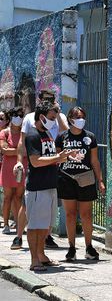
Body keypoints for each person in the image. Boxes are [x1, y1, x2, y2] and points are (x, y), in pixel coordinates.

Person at [24, 101, 79, 271]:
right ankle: (34, 260)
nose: (54, 121)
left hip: (49, 186)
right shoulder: (33, 135)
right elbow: (36, 161)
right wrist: (57, 158)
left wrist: (64, 156)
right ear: (41, 117)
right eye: (52, 118)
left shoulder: (46, 133)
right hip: (37, 188)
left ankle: (41, 255)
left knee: (45, 225)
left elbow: (50, 156)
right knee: (35, 226)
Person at [13, 89, 68, 251]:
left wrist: (56, 113)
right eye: (47, 99)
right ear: (40, 100)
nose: (50, 101)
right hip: (37, 167)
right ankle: (18, 236)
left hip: (52, 167)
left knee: (47, 215)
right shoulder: (30, 118)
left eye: (52, 99)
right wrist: (19, 161)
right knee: (27, 205)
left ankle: (45, 241)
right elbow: (23, 142)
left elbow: (64, 131)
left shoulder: (58, 116)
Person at [56, 107, 105, 261]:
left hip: (86, 177)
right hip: (66, 177)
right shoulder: (62, 137)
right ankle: (71, 247)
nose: (81, 119)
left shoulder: (90, 137)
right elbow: (57, 159)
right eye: (78, 116)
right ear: (70, 119)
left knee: (86, 214)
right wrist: (65, 156)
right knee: (70, 214)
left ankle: (89, 247)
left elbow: (94, 161)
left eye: (83, 116)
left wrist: (100, 181)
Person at [0, 108, 25, 234]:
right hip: (7, 169)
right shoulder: (4, 133)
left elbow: (28, 151)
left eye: (20, 116)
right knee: (7, 197)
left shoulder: (24, 133)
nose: (18, 118)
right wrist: (20, 151)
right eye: (15, 115)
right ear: (11, 117)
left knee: (18, 197)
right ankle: (5, 224)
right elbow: (4, 150)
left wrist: (14, 150)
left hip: (21, 167)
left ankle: (18, 223)